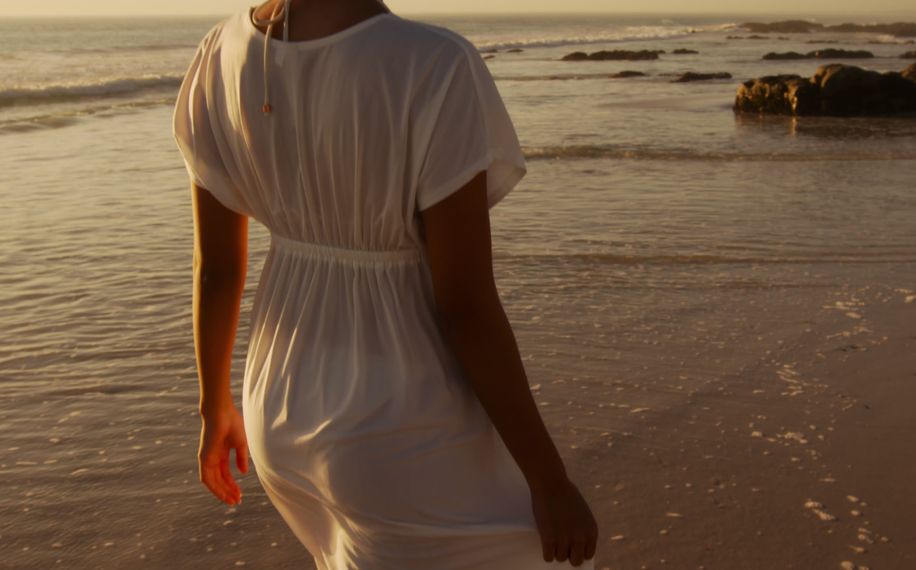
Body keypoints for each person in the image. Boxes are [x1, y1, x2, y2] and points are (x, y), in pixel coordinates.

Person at [172, 0, 599, 567]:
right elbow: (465, 304)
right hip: (400, 420)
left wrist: (213, 408)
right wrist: (550, 482)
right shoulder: (434, 65)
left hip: (275, 401)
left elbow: (218, 265)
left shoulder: (218, 52)